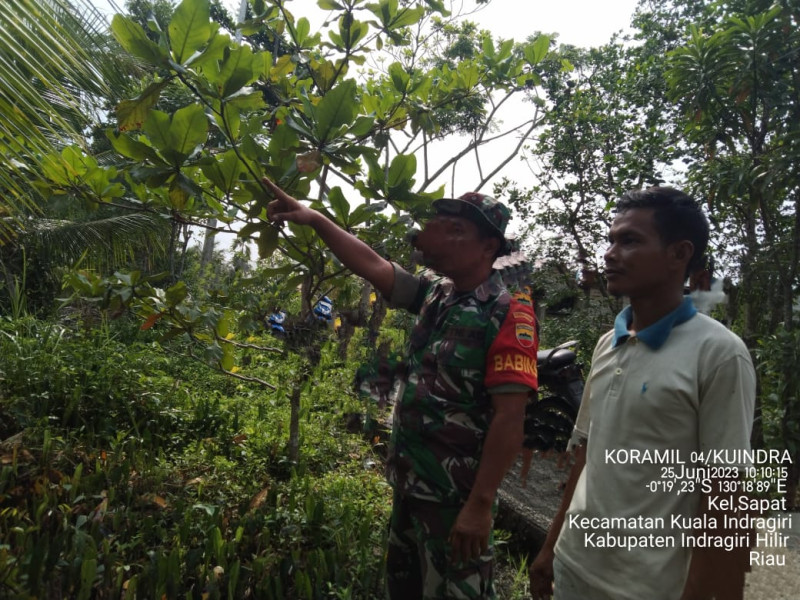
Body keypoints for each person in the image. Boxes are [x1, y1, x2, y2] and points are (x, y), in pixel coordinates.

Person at [264, 178, 538, 599]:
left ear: (489, 248)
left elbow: (510, 418)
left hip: (455, 499)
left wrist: (480, 506)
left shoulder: (506, 313)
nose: (440, 234)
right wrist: (314, 219)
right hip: (410, 485)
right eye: (441, 224)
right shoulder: (435, 295)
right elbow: (372, 264)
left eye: (456, 229)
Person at [528, 187, 755, 600]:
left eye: (630, 240)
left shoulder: (718, 354)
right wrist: (550, 547)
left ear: (679, 253)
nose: (610, 254)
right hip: (574, 568)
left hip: (647, 588)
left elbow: (725, 494)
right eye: (611, 240)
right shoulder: (605, 345)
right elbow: (586, 457)